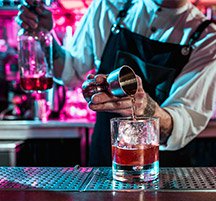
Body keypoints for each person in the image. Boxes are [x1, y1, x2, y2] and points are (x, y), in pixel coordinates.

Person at [16, 0, 216, 166]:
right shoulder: (109, 6)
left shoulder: (207, 40)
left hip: (163, 174)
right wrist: (44, 36)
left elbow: (182, 122)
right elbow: (70, 72)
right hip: (104, 163)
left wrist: (144, 109)